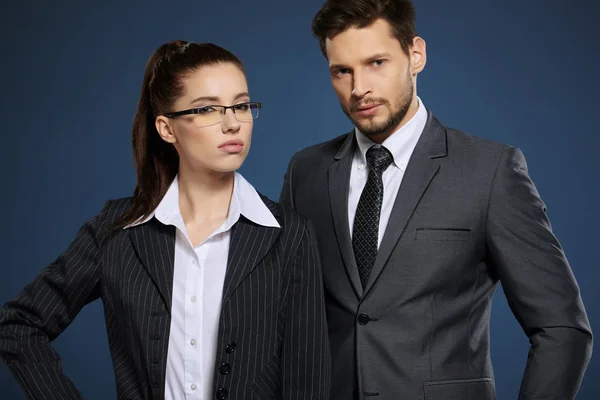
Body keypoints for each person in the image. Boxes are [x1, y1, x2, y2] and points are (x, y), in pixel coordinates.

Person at [279, 1, 592, 399]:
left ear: (416, 55)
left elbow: (562, 329)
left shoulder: (489, 171)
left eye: (376, 62)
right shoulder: (306, 172)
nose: (359, 88)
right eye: (342, 71)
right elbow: (284, 315)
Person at [0, 40, 330, 400]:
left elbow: (307, 380)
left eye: (241, 105)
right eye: (206, 109)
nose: (233, 123)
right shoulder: (117, 230)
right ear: (166, 128)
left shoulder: (289, 235)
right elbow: (18, 325)